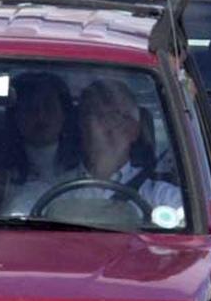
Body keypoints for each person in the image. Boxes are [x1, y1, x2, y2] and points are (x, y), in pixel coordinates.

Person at [49, 78, 184, 224]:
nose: (101, 128)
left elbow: (200, 219)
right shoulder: (52, 188)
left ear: (134, 129)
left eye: (113, 117)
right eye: (93, 115)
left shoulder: (160, 196)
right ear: (80, 126)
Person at [0, 71, 80, 216]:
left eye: (49, 106)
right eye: (29, 108)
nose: (40, 116)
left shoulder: (87, 174)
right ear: (14, 117)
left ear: (65, 113)